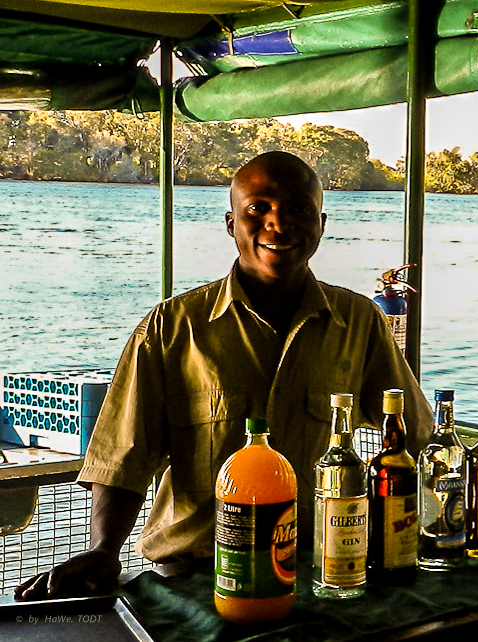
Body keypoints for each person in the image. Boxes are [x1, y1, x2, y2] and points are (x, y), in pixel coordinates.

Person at [15, 151, 432, 600]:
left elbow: (416, 438)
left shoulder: (359, 322)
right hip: (191, 574)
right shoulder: (172, 328)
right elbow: (123, 457)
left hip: (316, 571)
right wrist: (103, 550)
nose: (279, 223)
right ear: (232, 224)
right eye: (258, 208)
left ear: (321, 224)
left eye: (298, 209)